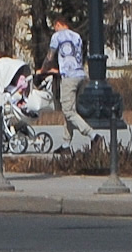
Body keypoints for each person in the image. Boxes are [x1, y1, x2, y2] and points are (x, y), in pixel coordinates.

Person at [41, 15, 97, 152]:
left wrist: (43, 69)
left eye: (55, 27)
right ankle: (66, 144)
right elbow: (74, 57)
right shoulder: (77, 37)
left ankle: (93, 135)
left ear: (59, 24)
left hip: (69, 77)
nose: (55, 30)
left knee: (67, 110)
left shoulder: (57, 37)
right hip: (80, 75)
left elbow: (50, 56)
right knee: (70, 110)